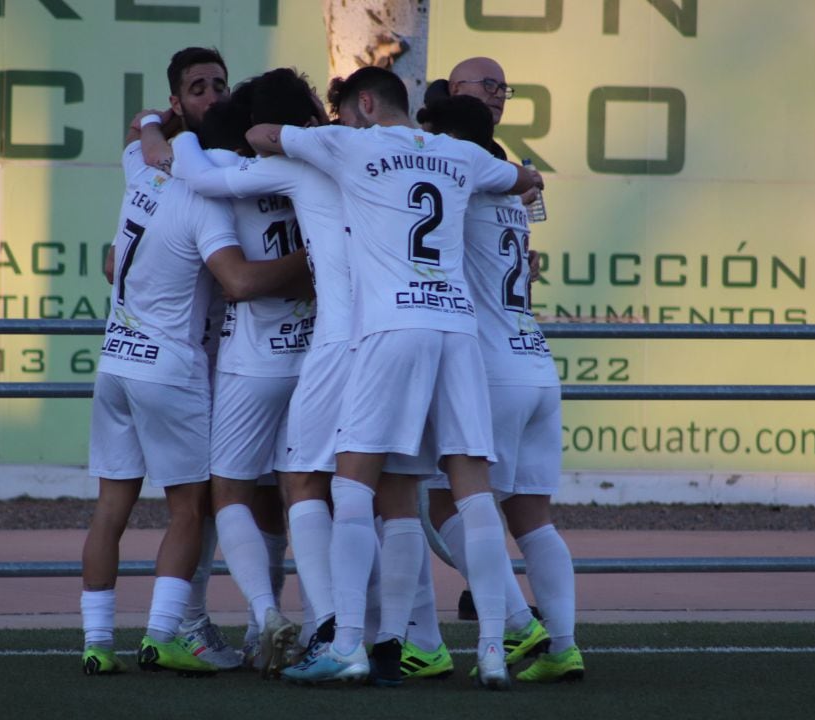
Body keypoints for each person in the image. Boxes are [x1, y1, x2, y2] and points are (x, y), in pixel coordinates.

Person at [246, 66, 542, 690]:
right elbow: (524, 177)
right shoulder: (458, 152)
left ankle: (348, 643)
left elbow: (263, 134)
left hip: (392, 327)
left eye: (348, 110)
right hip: (457, 329)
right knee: (473, 489)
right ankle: (491, 649)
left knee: (352, 486)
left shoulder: (349, 142)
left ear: (365, 102)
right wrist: (522, 185)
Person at [79, 49, 306, 678]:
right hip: (174, 366)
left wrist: (154, 122)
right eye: (198, 89)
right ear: (181, 104)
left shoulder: (141, 163)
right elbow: (235, 279)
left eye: (219, 86)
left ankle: (98, 642)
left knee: (111, 509)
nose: (213, 96)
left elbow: (137, 143)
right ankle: (170, 632)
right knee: (195, 505)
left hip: (117, 359)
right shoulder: (208, 191)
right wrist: (318, 267)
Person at [414, 93, 583, 683]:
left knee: (445, 503)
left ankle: (517, 624)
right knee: (533, 518)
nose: (424, 146)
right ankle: (563, 645)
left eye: (432, 133)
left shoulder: (459, 184)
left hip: (486, 370)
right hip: (534, 362)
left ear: (453, 140)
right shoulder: (515, 191)